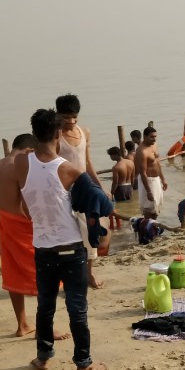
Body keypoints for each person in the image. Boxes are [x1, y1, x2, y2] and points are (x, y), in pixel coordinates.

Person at [16, 108, 107, 370]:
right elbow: (100, 203)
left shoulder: (20, 164)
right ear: (58, 134)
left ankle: (43, 357)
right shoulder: (70, 170)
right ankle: (83, 364)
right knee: (77, 308)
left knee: (45, 305)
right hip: (71, 248)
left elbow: (24, 206)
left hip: (42, 247)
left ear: (34, 134)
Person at [0, 133, 66, 337]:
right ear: (29, 150)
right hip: (26, 225)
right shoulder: (22, 166)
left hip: (7, 224)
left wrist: (6, 197)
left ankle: (22, 325)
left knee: (13, 272)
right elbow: (29, 201)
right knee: (43, 273)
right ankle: (44, 327)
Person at [55, 94, 104, 289]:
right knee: (67, 238)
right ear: (58, 115)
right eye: (66, 117)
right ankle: (68, 279)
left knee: (90, 234)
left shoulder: (84, 132)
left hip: (85, 191)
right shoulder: (55, 137)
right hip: (63, 193)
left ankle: (89, 274)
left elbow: (88, 162)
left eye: (74, 116)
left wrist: (100, 187)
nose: (71, 121)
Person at [134, 127, 168, 220]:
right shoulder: (142, 151)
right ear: (145, 137)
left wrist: (163, 179)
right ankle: (147, 227)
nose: (154, 139)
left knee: (156, 206)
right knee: (148, 208)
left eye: (155, 136)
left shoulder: (154, 145)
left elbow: (157, 163)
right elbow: (142, 173)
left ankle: (153, 226)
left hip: (156, 179)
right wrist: (148, 191)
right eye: (152, 137)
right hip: (148, 180)